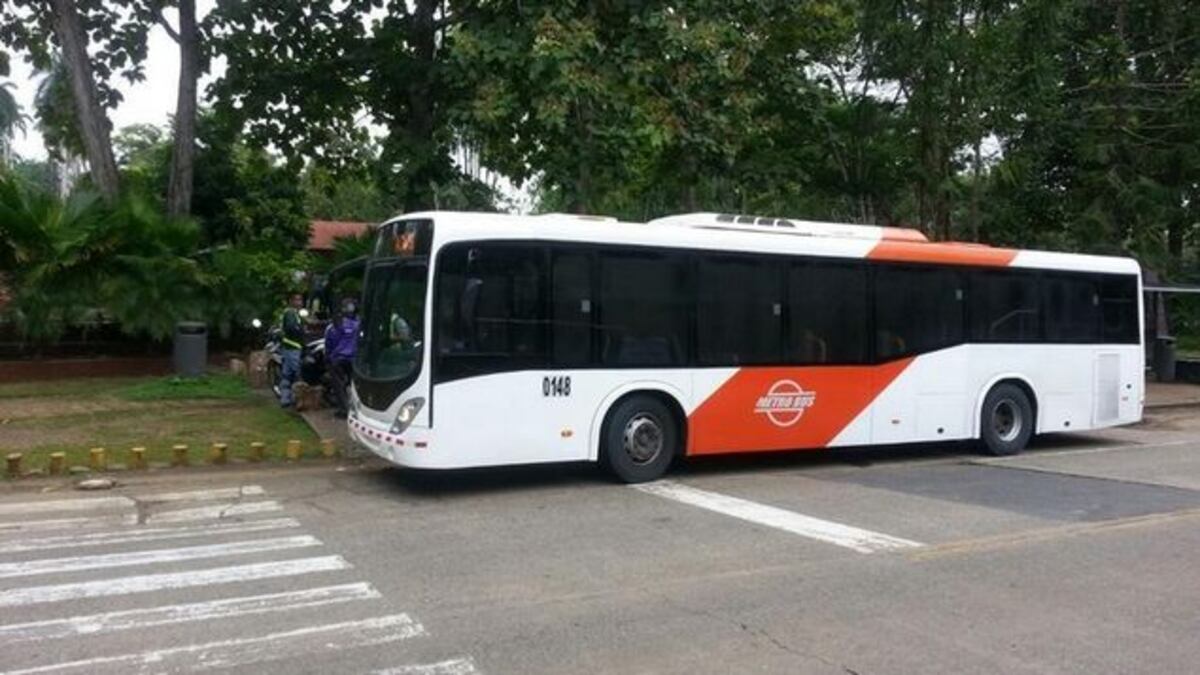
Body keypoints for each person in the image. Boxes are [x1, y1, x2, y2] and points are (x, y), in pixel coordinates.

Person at [325, 297, 360, 418]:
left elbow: (329, 344)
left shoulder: (334, 326)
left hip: (338, 359)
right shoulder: (358, 324)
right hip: (353, 359)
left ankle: (344, 410)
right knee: (355, 385)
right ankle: (358, 409)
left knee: (339, 385)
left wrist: (329, 357)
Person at [278, 293, 305, 408]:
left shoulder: (295, 313)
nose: (299, 302)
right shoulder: (290, 313)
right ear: (291, 301)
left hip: (290, 347)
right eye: (297, 300)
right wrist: (301, 331)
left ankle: (285, 399)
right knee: (296, 374)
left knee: (287, 374)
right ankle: (295, 399)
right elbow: (291, 328)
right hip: (292, 347)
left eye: (300, 300)